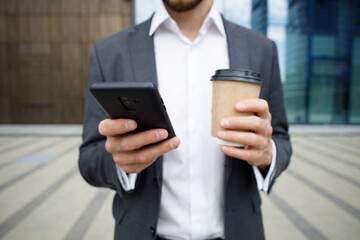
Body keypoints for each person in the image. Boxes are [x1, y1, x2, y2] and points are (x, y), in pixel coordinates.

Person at [78, 0, 292, 239]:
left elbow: (281, 139)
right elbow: (89, 158)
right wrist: (120, 160)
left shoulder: (261, 49)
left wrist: (266, 154)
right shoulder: (109, 52)